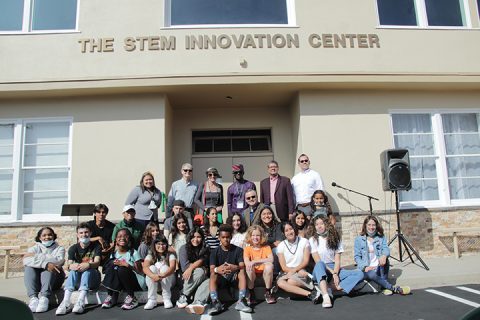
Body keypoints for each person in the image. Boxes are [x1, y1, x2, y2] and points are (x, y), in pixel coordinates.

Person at [309, 215, 364, 307]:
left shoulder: (335, 238)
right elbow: (317, 260)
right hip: (320, 269)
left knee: (359, 274)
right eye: (317, 224)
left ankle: (330, 288)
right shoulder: (313, 240)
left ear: (327, 224)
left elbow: (337, 261)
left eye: (322, 223)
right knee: (320, 263)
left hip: (334, 268)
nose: (319, 226)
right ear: (314, 227)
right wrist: (333, 273)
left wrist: (335, 273)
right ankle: (326, 297)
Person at [354, 215, 410, 296]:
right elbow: (357, 257)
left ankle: (382, 284)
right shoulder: (359, 239)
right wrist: (364, 267)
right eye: (369, 225)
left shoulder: (381, 237)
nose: (371, 227)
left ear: (376, 226)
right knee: (371, 274)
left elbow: (386, 249)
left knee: (385, 259)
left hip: (379, 268)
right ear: (365, 225)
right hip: (367, 269)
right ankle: (392, 288)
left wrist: (384, 256)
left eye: (373, 225)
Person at [56, 223, 101, 315]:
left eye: (86, 232)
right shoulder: (73, 248)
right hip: (77, 280)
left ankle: (81, 301)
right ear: (77, 235)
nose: (84, 235)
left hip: (92, 279)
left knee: (87, 270)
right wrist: (70, 266)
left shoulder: (96, 246)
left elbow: (97, 262)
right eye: (81, 233)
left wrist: (88, 264)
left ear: (90, 233)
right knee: (73, 271)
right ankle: (66, 302)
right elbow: (68, 264)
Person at [207, 224, 252, 315]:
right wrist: (217, 269)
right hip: (221, 279)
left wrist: (235, 267)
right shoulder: (214, 252)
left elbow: (242, 266)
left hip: (234, 278)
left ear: (231, 237)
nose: (225, 239)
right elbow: (211, 269)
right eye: (223, 237)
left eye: (227, 237)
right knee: (213, 274)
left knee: (242, 271)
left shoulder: (238, 250)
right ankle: (215, 302)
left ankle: (241, 300)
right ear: (219, 238)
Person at [23, 227, 65, 313]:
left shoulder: (60, 249)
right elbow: (26, 260)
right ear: (39, 238)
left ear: (54, 236)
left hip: (54, 280)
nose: (47, 237)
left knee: (51, 268)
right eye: (44, 235)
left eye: (50, 235)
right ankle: (33, 298)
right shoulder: (35, 248)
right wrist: (45, 264)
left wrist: (36, 256)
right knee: (28, 268)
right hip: (38, 281)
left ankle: (44, 298)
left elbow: (58, 260)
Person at [101, 228, 146, 310]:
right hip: (121, 283)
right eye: (119, 236)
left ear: (129, 239)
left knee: (122, 268)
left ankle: (132, 297)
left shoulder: (133, 252)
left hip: (135, 283)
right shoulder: (114, 254)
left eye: (125, 236)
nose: (122, 238)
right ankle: (111, 295)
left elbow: (140, 271)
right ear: (116, 240)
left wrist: (127, 265)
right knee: (111, 265)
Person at [276, 221, 320, 303]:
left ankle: (313, 287)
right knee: (280, 283)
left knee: (291, 281)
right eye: (286, 230)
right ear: (283, 233)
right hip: (287, 271)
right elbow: (283, 267)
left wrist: (295, 270)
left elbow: (305, 261)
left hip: (302, 270)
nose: (289, 232)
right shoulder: (281, 246)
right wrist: (291, 272)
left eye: (291, 229)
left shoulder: (304, 241)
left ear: (294, 229)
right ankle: (311, 294)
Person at [178, 227, 210, 312]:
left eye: (198, 237)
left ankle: (197, 301)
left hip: (201, 278)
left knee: (210, 280)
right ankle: (184, 295)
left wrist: (192, 266)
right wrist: (196, 267)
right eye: (193, 237)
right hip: (186, 278)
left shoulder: (205, 249)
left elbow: (205, 262)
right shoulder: (183, 248)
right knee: (200, 271)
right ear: (189, 237)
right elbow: (185, 268)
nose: (196, 239)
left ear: (202, 238)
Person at [243, 225, 276, 304]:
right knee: (248, 267)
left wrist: (254, 261)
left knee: (269, 265)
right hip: (253, 276)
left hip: (265, 276)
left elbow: (271, 259)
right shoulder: (247, 249)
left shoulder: (266, 247)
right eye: (253, 235)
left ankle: (268, 292)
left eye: (257, 235)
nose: (255, 237)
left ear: (261, 236)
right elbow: (246, 261)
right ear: (250, 237)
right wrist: (252, 263)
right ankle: (251, 293)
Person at [143, 236, 177, 309]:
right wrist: (153, 276)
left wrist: (163, 275)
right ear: (154, 245)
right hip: (154, 282)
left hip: (168, 281)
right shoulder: (150, 255)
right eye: (158, 244)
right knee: (151, 268)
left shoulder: (170, 255)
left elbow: (172, 267)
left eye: (163, 244)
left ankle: (166, 298)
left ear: (166, 245)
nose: (161, 246)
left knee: (165, 268)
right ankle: (152, 299)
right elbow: (145, 267)